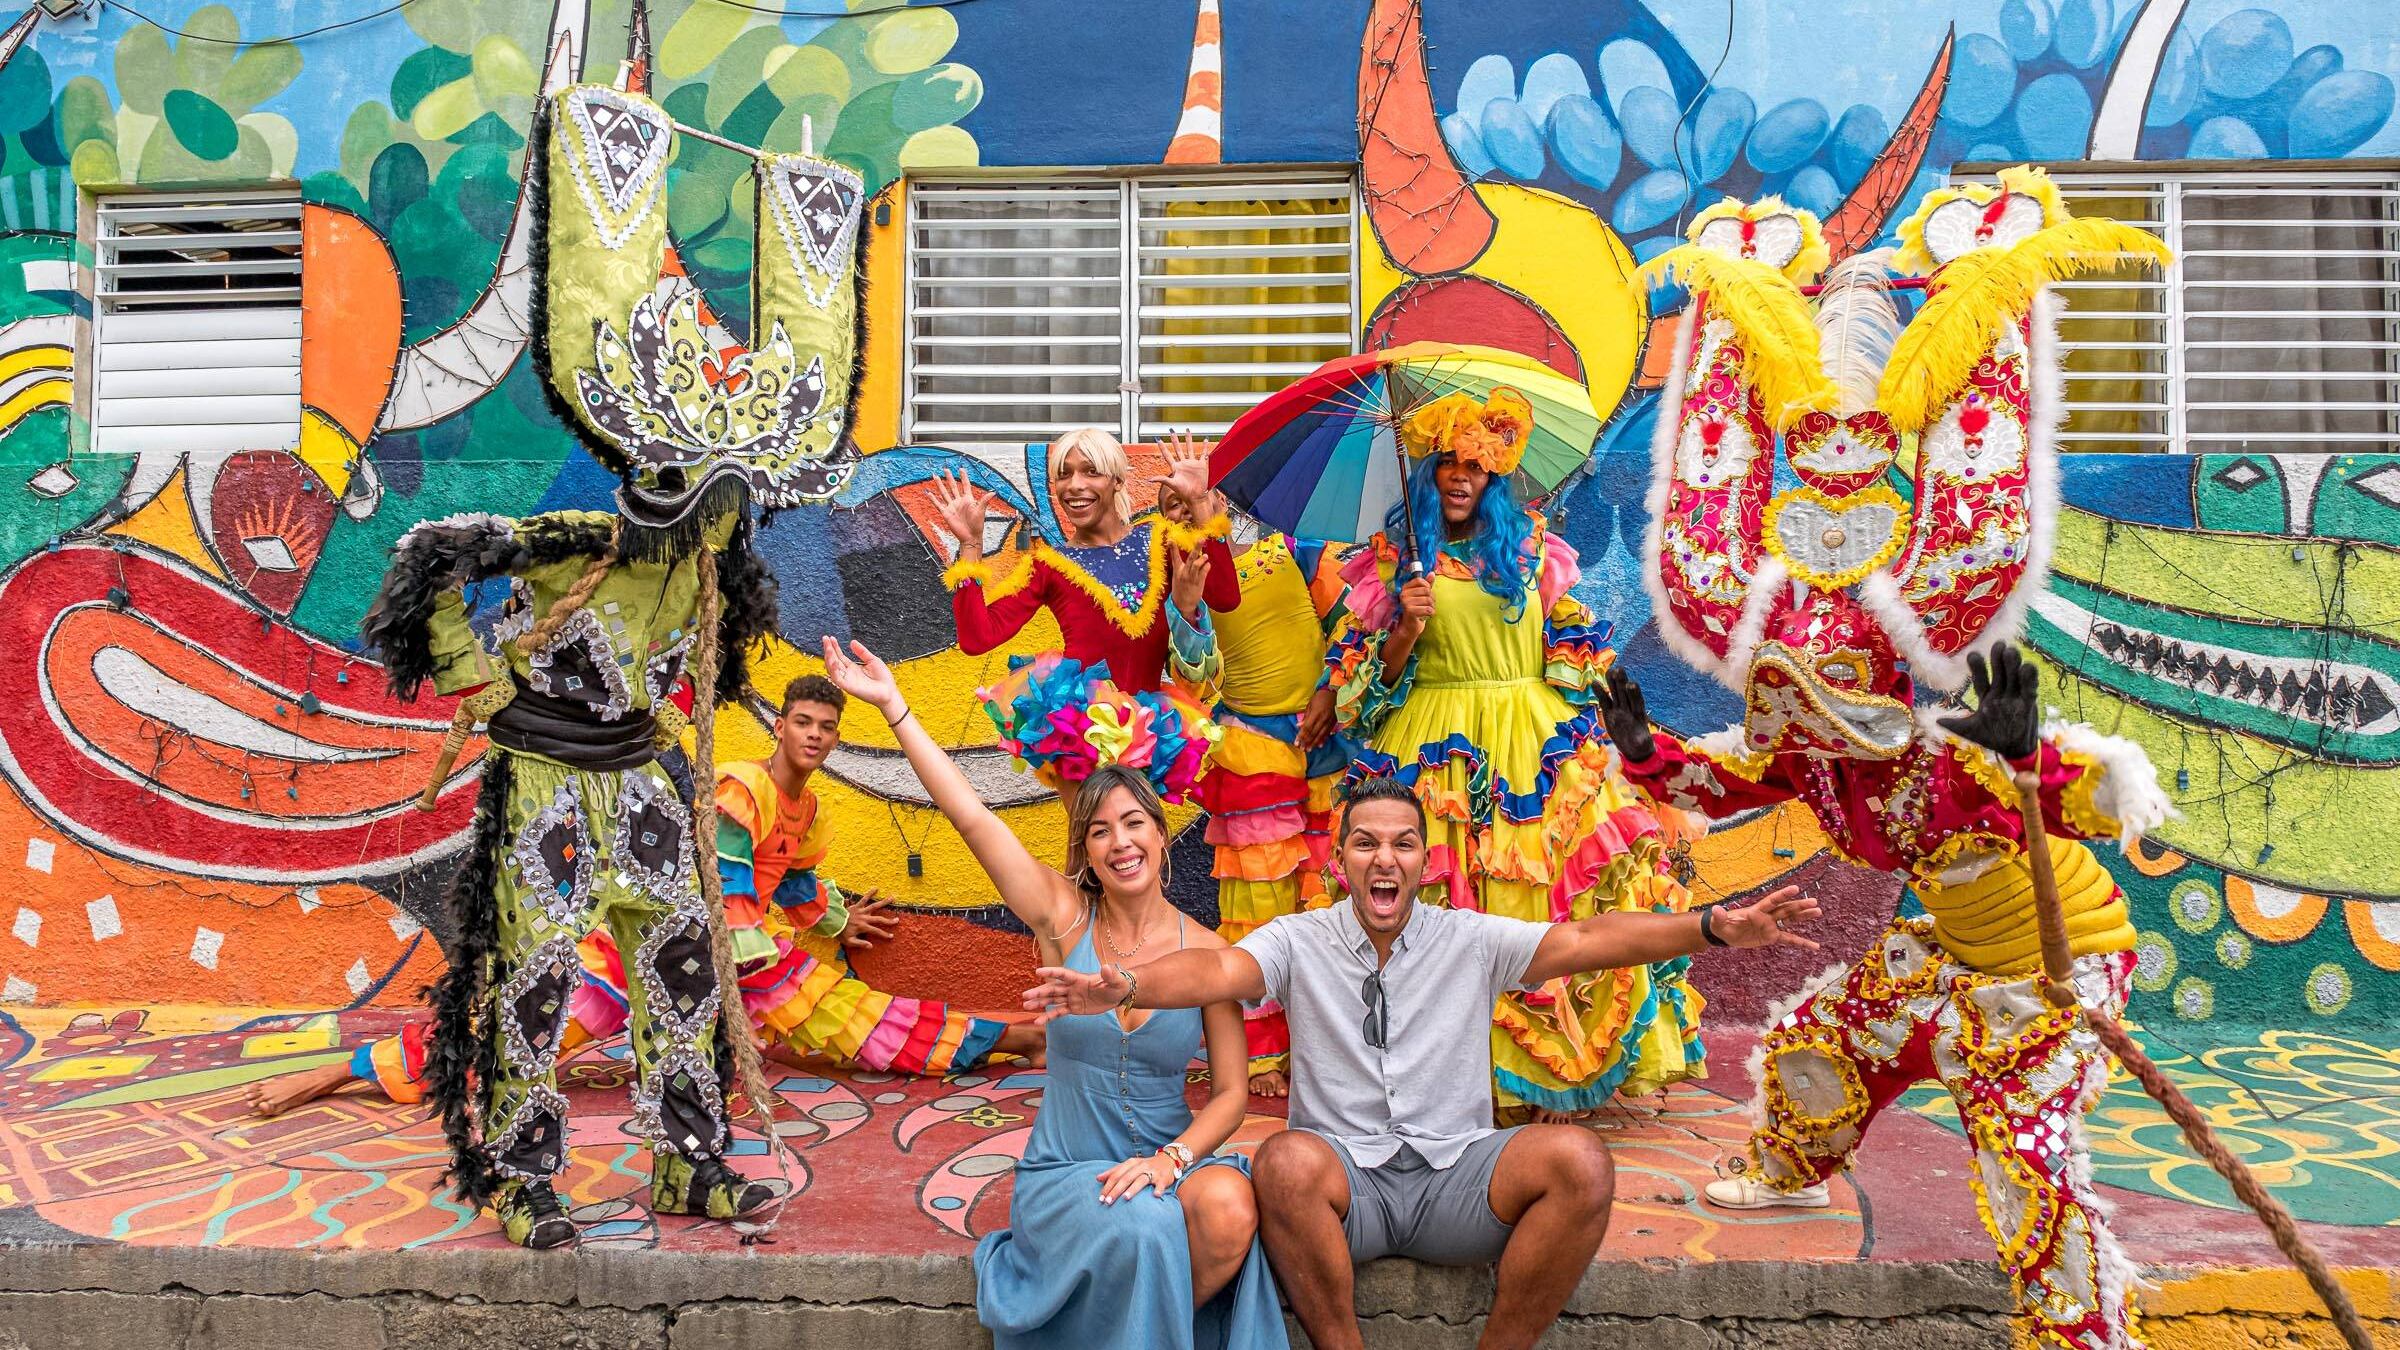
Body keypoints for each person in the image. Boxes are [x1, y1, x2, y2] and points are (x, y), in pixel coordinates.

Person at [1624, 176, 2173, 1350]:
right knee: (1822, 1046)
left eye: (1820, 695)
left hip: (2059, 968)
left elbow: (2091, 789)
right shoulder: (1813, 762)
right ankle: (1787, 1172)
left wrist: (2027, 757)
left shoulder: (1950, 752)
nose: (1804, 715)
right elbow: (1713, 780)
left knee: (2019, 1154)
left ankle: (2088, 1333)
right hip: (1949, 954)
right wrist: (1640, 750)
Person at [1025, 775, 1820, 1350]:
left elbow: (1586, 939)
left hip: (1456, 1182)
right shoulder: (1299, 939)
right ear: (1340, 860)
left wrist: (1712, 928)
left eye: (1403, 844)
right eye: (1366, 843)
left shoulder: (1468, 937)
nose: (1385, 859)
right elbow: (1218, 970)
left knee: (1580, 1160)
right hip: (1348, 1192)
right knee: (1285, 1161)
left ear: (1425, 860)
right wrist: (1129, 984)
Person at [243, 676, 1042, 1120]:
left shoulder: (807, 812)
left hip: (738, 968)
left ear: (835, 738)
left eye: (827, 727)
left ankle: (1017, 1037)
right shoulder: (743, 788)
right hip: (647, 954)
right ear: (782, 727)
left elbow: (790, 881)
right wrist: (766, 974)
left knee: (867, 1025)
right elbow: (728, 889)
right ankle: (338, 1075)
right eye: (803, 721)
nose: (814, 735)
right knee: (522, 1038)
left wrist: (836, 917)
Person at [819, 635, 1285, 1350]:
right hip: (1068, 1171)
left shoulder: (1211, 955)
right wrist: (895, 708)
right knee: (1146, 1226)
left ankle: (1114, 1328)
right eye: (1100, 832)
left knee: (1229, 1207)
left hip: (1161, 1163)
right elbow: (973, 818)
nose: (1120, 842)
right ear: (1087, 851)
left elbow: (1230, 1094)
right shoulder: (1063, 917)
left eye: (1134, 824)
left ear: (1162, 837)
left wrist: (1171, 1160)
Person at [1326, 391, 1706, 1120]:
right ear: (1428, 473)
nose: (1461, 476)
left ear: (1495, 475)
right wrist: (1405, 627)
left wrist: (1620, 729)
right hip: (1433, 747)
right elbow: (1359, 696)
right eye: (1448, 462)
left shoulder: (1532, 548)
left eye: (1476, 465)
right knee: (1447, 903)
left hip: (1534, 745)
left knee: (1546, 895)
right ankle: (1448, 1075)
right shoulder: (1393, 563)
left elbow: (1572, 646)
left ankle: (1555, 1068)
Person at [1160, 490, 1355, 1097]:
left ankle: (1330, 1047)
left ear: (1218, 494)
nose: (1182, 509)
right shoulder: (1180, 575)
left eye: (1191, 495)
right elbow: (1193, 679)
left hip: (1324, 746)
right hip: (1252, 753)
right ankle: (1264, 1051)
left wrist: (1328, 692)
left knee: (1329, 896)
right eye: (1169, 504)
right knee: (1259, 907)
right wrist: (1185, 607)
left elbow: (1349, 627)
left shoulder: (1297, 547)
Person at [930, 429, 1239, 806]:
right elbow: (977, 638)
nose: (1075, 485)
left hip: (1152, 725)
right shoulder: (1047, 566)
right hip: (1079, 732)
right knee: (1089, 834)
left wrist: (1202, 503)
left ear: (1117, 480)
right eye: (1064, 474)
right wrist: (970, 547)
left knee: (1141, 833)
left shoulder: (1162, 541)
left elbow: (1226, 598)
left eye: (1091, 471)